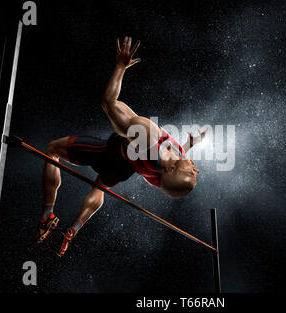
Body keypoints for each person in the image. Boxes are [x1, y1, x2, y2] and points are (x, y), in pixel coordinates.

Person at [32, 37, 207, 256]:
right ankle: (73, 229)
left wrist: (120, 66)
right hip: (124, 170)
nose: (196, 169)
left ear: (171, 170)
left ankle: (47, 214)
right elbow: (174, 164)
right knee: (100, 188)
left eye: (191, 173)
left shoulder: (147, 137)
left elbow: (108, 103)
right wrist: (190, 144)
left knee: (52, 149)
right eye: (195, 173)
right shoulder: (170, 164)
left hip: (109, 154)